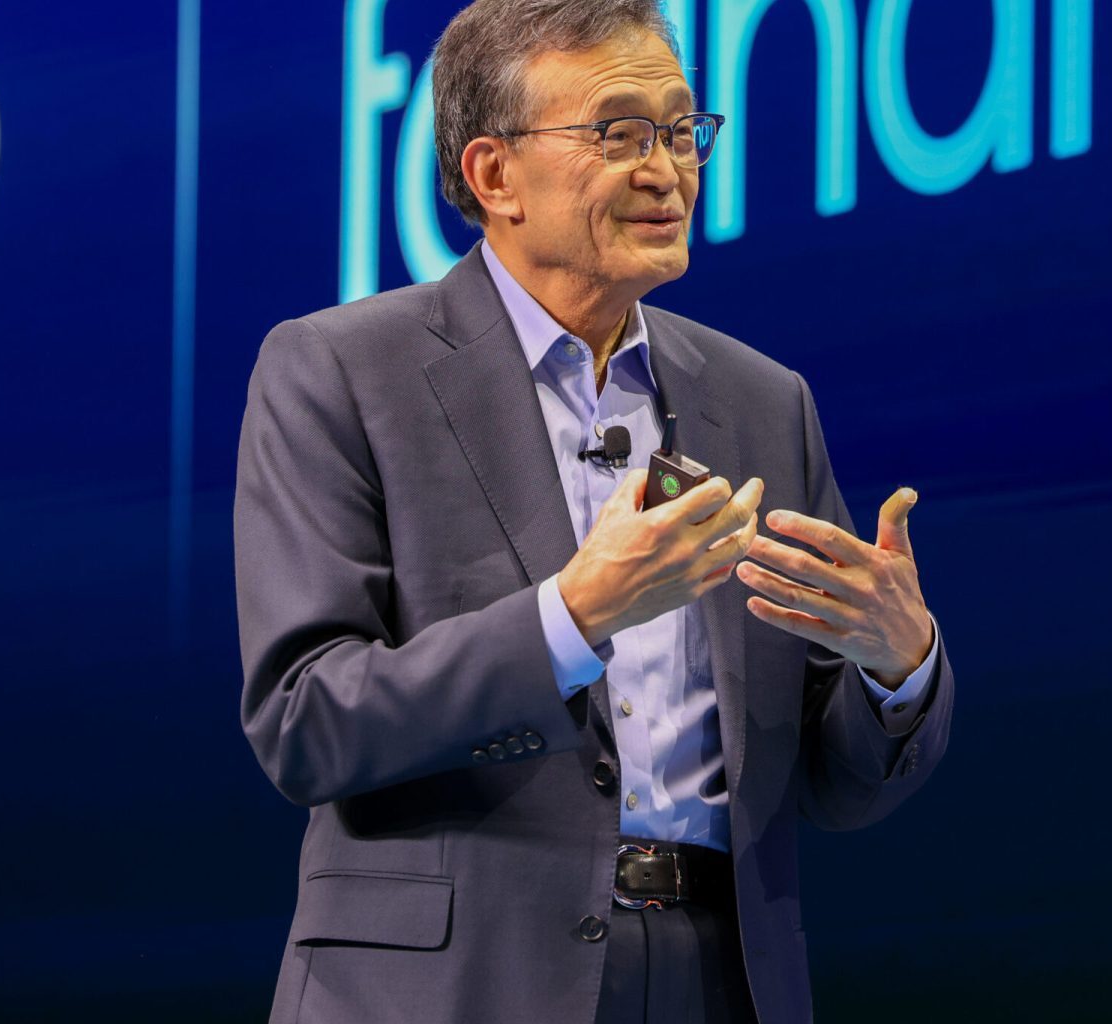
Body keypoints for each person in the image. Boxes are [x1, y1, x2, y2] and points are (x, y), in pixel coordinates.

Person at [233, 2, 953, 1021]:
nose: (666, 169)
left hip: (720, 976)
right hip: (452, 983)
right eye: (618, 133)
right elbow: (306, 721)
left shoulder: (760, 401)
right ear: (494, 177)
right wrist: (568, 616)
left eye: (679, 129)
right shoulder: (341, 372)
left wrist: (897, 662)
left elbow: (839, 781)